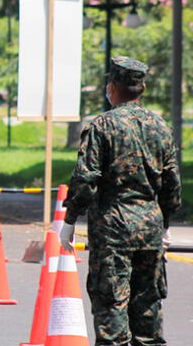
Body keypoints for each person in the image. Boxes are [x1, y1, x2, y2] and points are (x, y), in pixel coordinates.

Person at [60, 56, 181, 346]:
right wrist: (164, 224)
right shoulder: (160, 126)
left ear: (112, 87)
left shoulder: (102, 126)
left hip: (113, 228)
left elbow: (85, 178)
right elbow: (171, 183)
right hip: (149, 227)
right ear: (143, 87)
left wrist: (69, 220)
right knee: (147, 306)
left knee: (112, 304)